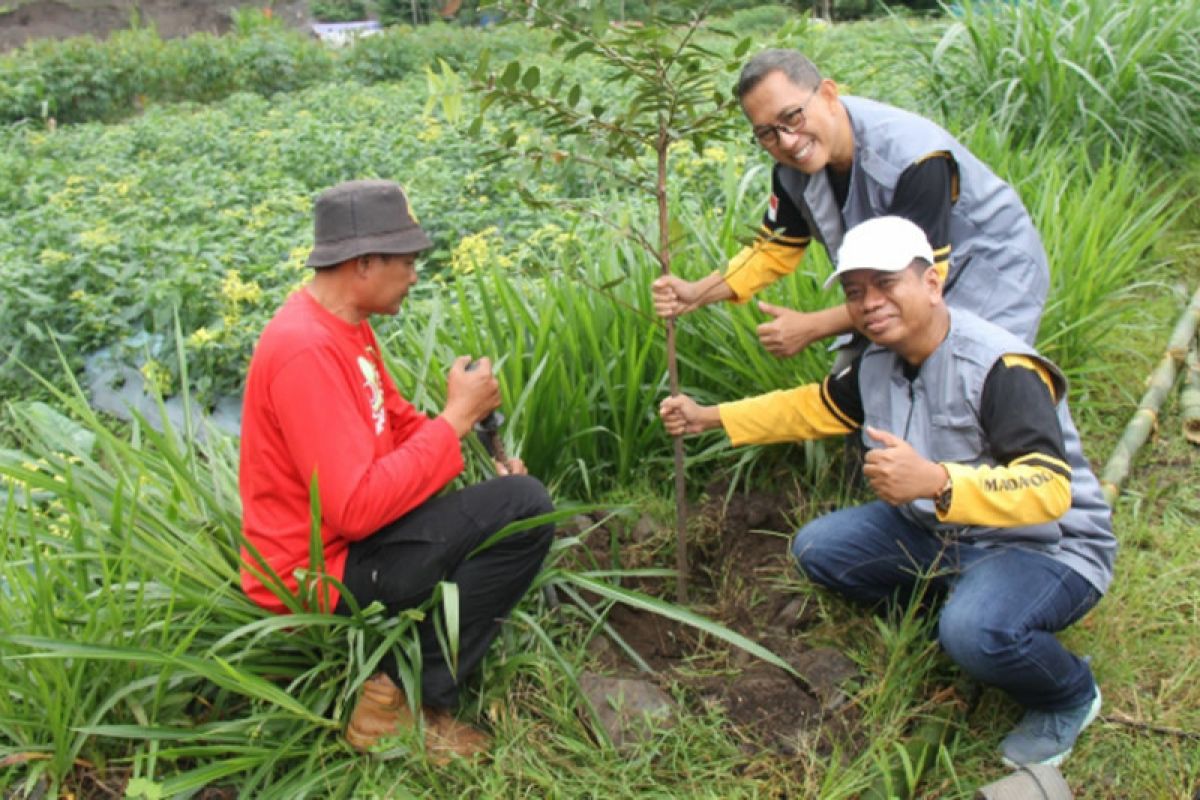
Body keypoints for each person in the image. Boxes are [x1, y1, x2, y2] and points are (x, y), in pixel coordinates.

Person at [659, 216, 1115, 768]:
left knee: (973, 632)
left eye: (886, 283)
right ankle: (959, 613)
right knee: (819, 549)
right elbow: (810, 407)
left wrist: (940, 482)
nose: (870, 302)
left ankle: (1067, 693)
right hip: (941, 533)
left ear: (931, 283)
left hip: (1044, 546)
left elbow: (1049, 489)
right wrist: (710, 417)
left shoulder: (1001, 366)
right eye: (855, 292)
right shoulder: (878, 362)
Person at [238, 179, 554, 761]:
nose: (414, 274)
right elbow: (355, 512)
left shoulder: (346, 328)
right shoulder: (305, 350)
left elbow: (403, 426)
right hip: (316, 574)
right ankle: (402, 701)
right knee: (528, 508)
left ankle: (410, 671)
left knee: (513, 506)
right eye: (406, 261)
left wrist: (487, 461)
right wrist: (458, 416)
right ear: (363, 263)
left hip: (346, 544)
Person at [652, 48, 1050, 362]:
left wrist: (812, 326)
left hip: (990, 270)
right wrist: (697, 292)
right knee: (867, 380)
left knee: (971, 380)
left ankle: (1043, 466)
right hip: (900, 287)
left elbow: (913, 287)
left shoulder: (914, 159)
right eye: (767, 133)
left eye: (792, 117)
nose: (787, 140)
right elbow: (774, 249)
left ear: (827, 94)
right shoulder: (792, 170)